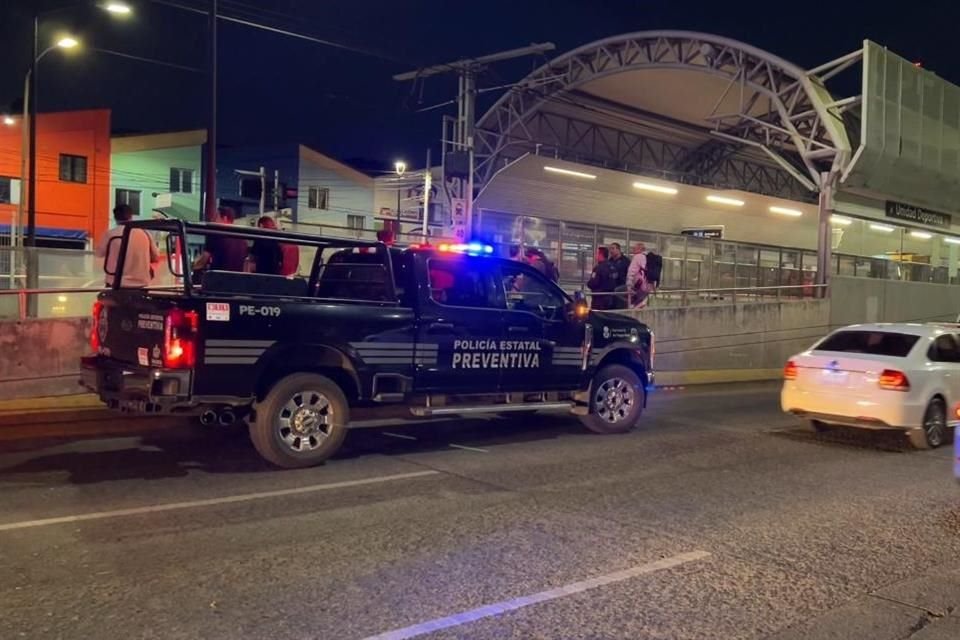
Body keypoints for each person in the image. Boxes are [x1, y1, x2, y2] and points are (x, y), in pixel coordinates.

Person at [96, 203, 159, 288]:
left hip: (116, 283)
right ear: (131, 216)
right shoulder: (145, 233)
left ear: (115, 217)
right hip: (141, 284)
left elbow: (99, 253)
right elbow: (155, 257)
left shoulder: (110, 234)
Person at [193, 206, 248, 274]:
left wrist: (194, 266)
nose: (213, 220)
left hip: (218, 279)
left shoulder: (216, 234)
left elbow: (203, 261)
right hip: (236, 280)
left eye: (216, 217)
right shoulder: (243, 239)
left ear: (224, 218)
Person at [626, 242, 650, 308]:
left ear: (639, 249)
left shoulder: (637, 257)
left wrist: (629, 283)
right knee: (640, 300)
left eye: (634, 248)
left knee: (619, 291)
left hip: (637, 284)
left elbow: (632, 271)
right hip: (645, 284)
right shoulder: (646, 257)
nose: (633, 249)